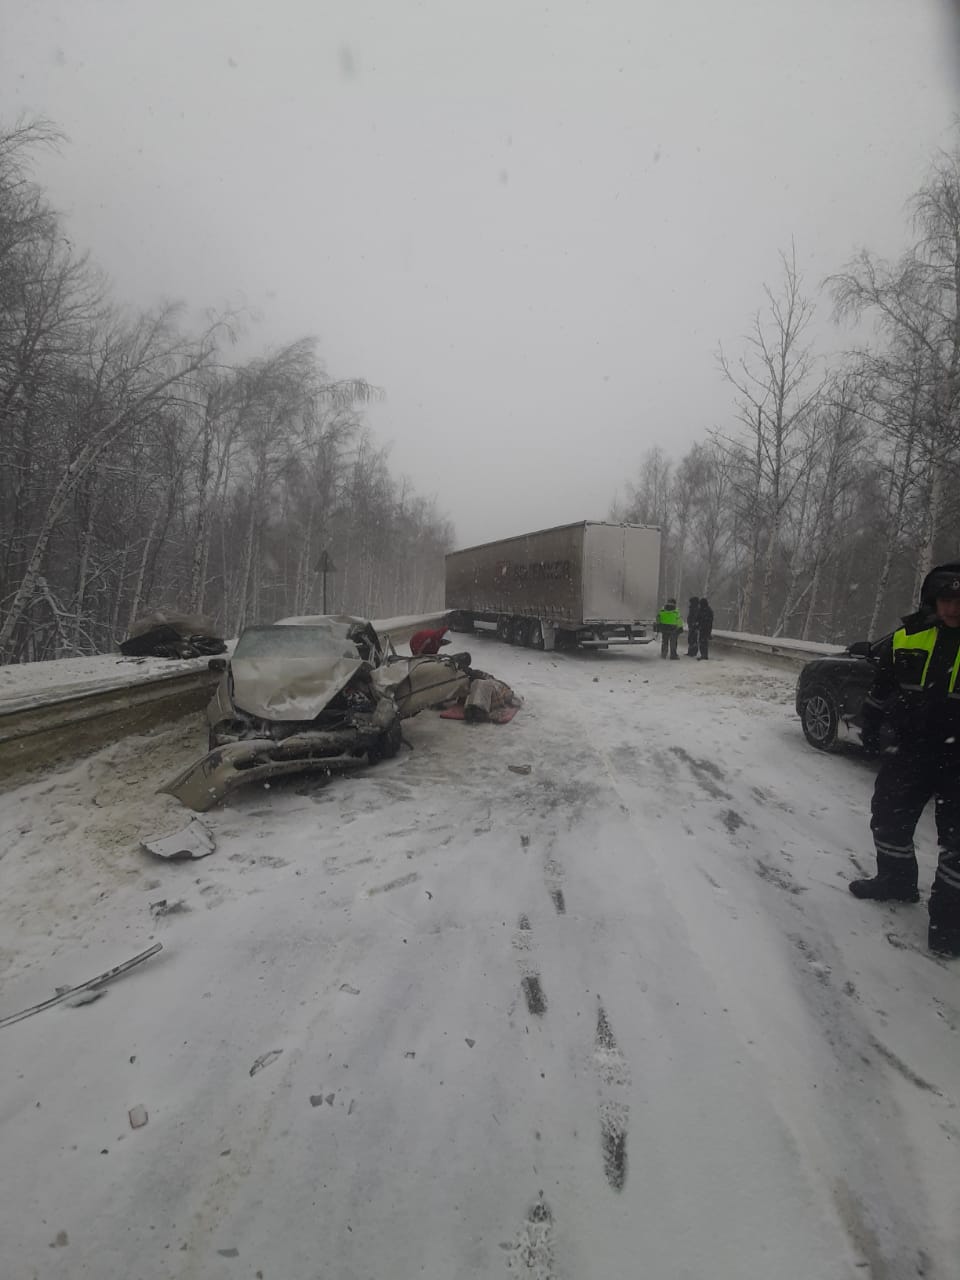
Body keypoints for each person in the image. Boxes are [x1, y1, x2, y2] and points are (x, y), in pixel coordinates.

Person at [849, 561, 960, 957]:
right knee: (889, 818)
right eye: (947, 598)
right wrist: (872, 726)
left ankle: (950, 925)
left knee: (957, 846)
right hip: (912, 751)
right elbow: (882, 687)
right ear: (935, 599)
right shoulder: (909, 635)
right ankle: (895, 881)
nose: (954, 607)